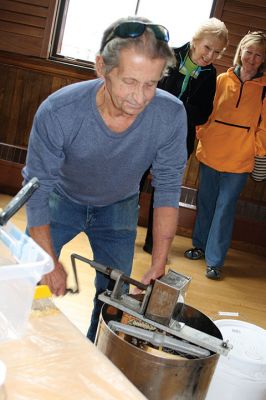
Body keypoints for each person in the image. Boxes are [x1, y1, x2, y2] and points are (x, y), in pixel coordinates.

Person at [22, 16, 188, 342]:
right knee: (30, 275)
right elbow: (37, 190)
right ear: (101, 67)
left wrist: (159, 262)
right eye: (129, 81)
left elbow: (168, 187)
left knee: (114, 295)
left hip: (119, 205)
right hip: (60, 198)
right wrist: (47, 259)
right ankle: (22, 348)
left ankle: (96, 356)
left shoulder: (171, 115)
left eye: (151, 84)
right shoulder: (60, 111)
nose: (139, 97)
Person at [142, 17, 229, 254]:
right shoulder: (169, 55)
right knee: (134, 182)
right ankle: (121, 229)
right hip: (148, 132)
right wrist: (178, 104)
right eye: (207, 47)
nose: (210, 55)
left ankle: (153, 243)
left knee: (164, 191)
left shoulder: (210, 74)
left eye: (217, 52)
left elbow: (202, 115)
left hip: (178, 140)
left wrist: (178, 106)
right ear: (195, 41)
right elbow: (149, 89)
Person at [184, 31, 266, 279]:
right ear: (241, 51)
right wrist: (202, 133)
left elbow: (265, 127)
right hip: (211, 151)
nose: (252, 58)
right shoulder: (220, 79)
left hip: (240, 158)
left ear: (263, 59)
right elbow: (205, 111)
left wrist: (256, 150)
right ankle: (199, 246)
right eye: (248, 52)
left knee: (225, 207)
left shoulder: (264, 89)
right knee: (206, 201)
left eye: (258, 55)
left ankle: (215, 261)